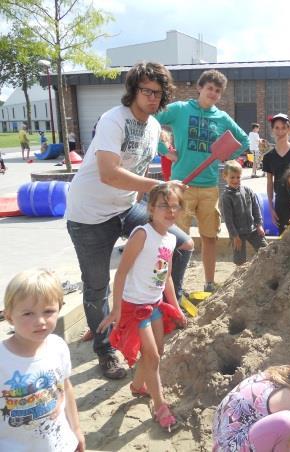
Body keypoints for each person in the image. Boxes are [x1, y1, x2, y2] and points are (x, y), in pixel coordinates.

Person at [65, 62, 194, 380]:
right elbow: (109, 173)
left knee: (181, 244)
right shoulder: (113, 120)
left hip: (124, 208)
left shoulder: (153, 128)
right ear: (133, 90)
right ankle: (106, 349)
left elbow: (137, 171)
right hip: (89, 215)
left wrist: (163, 195)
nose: (152, 97)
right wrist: (158, 187)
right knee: (97, 288)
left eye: (158, 93)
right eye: (146, 90)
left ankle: (163, 310)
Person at [97, 183, 187, 432]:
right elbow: (121, 272)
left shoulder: (170, 238)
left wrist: (176, 307)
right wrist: (116, 308)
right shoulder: (142, 234)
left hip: (155, 304)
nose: (170, 211)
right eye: (163, 206)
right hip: (135, 307)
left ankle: (138, 386)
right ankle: (160, 406)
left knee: (156, 350)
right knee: (154, 356)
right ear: (150, 208)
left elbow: (166, 276)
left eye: (174, 206)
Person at [155, 69, 249, 293]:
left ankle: (208, 283)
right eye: (210, 88)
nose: (213, 93)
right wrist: (164, 150)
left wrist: (226, 155)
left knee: (209, 237)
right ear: (200, 88)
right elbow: (150, 120)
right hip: (181, 186)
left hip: (209, 187)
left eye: (218, 91)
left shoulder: (222, 117)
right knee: (175, 239)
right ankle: (174, 287)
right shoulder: (180, 110)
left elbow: (244, 140)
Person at [0, 269, 84, 451]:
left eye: (48, 311)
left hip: (60, 444)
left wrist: (76, 429)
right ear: (9, 317)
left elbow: (66, 387)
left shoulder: (58, 346)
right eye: (28, 313)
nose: (40, 321)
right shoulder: (3, 360)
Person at [262, 113, 290, 233]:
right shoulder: (268, 156)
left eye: (283, 128)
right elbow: (269, 182)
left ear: (289, 129)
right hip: (281, 204)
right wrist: (271, 208)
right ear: (272, 130)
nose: (280, 131)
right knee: (284, 239)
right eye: (277, 128)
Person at [219, 160, 268, 265]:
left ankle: (266, 270)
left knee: (265, 249)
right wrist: (234, 236)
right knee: (240, 259)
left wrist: (259, 225)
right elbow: (228, 219)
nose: (236, 180)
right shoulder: (226, 197)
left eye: (238, 177)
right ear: (225, 177)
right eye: (232, 177)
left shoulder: (248, 190)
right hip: (238, 233)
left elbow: (256, 208)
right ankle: (240, 277)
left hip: (252, 229)